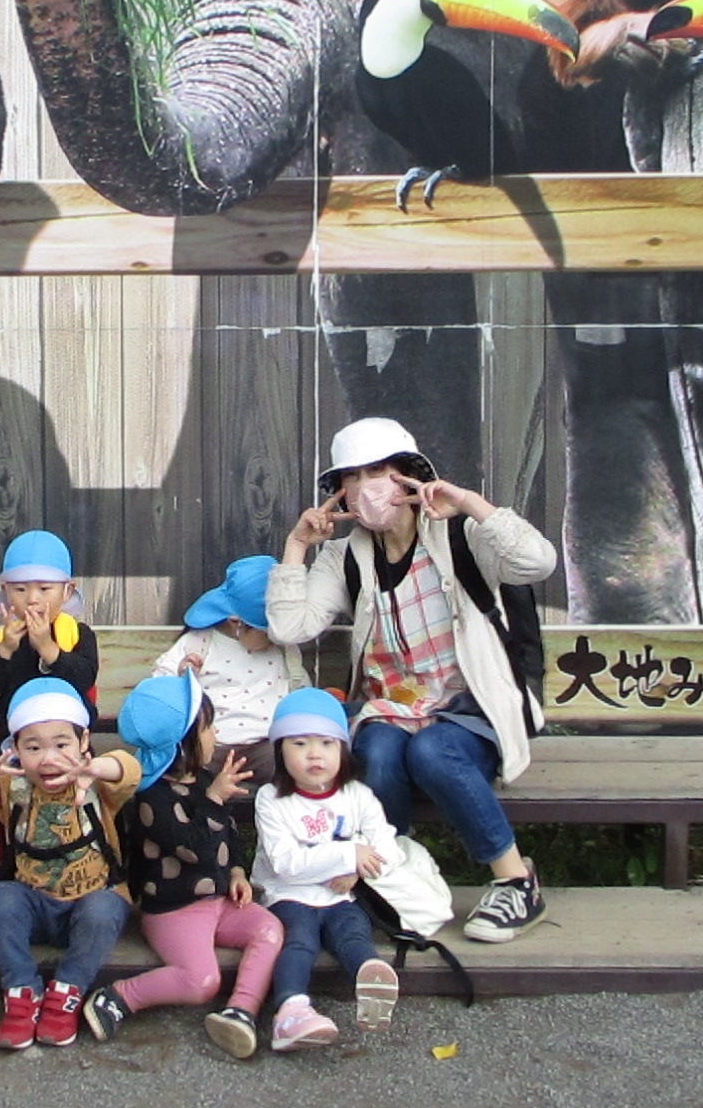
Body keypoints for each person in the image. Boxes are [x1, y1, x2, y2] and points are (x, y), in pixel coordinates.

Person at [265, 416, 558, 945]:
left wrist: (469, 503)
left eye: (377, 471)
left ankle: (517, 880)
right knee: (374, 752)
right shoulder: (345, 555)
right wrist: (296, 547)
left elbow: (537, 563)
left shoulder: (462, 534)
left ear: (409, 476)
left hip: (473, 705)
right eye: (351, 477)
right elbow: (291, 626)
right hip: (392, 706)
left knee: (432, 752)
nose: (365, 487)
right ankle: (391, 875)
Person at [78, 672, 283, 1061]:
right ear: (183, 742)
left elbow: (226, 837)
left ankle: (241, 1011)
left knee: (268, 929)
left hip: (218, 902)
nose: (215, 734)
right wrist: (212, 800)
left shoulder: (202, 778)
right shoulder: (149, 797)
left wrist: (237, 872)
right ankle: (119, 997)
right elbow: (196, 849)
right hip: (175, 910)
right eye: (207, 728)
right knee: (200, 981)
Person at [0, 677, 138, 1050]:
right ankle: (21, 994)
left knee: (104, 909)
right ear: (15, 750)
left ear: (84, 742)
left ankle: (66, 993)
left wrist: (100, 769)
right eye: (33, 747)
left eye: (62, 744)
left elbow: (128, 770)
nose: (49, 758)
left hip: (91, 899)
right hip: (34, 900)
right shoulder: (11, 786)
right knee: (1, 899)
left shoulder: (96, 785)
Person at [251, 690, 400, 1052]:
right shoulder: (272, 800)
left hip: (341, 893)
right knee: (299, 940)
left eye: (326, 744)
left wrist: (359, 871)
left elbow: (388, 846)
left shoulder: (357, 795)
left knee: (352, 931)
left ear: (342, 750)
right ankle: (290, 1010)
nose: (314, 754)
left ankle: (369, 976)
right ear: (280, 751)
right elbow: (286, 865)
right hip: (288, 896)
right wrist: (349, 854)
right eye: (300, 743)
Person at [151, 554, 295, 790]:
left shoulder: (284, 649)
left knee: (291, 757)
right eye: (267, 630)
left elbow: (297, 688)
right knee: (180, 761)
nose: (276, 635)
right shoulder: (200, 642)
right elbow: (159, 682)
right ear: (236, 622)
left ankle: (289, 816)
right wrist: (182, 676)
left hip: (264, 746)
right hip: (212, 745)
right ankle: (194, 814)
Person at [0, 529, 101, 721]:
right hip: (15, 735)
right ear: (5, 591)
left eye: (44, 589)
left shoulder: (77, 634)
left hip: (67, 734)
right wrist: (4, 650)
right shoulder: (2, 639)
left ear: (67, 591)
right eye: (20, 589)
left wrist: (47, 647)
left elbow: (84, 680)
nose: (32, 599)